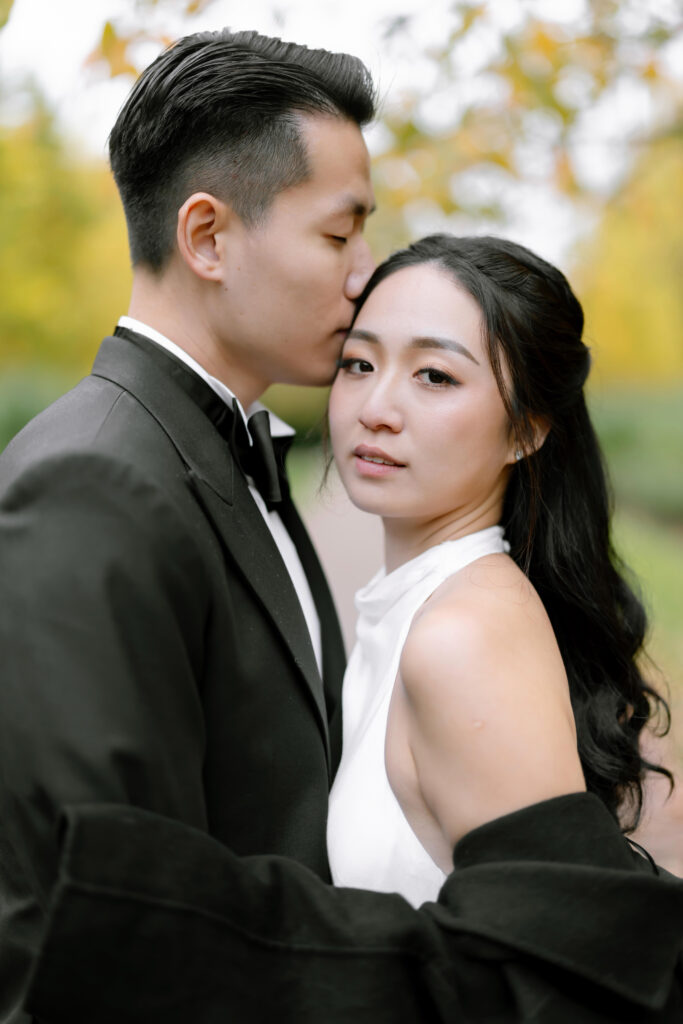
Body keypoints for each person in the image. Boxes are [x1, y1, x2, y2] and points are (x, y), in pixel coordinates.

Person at [23, 240, 683, 1022]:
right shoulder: (408, 607)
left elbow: (564, 978)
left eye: (434, 375)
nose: (376, 407)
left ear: (525, 431)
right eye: (359, 364)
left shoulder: (465, 634)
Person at [0, 27, 377, 1022]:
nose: (363, 277)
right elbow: (98, 913)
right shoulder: (94, 477)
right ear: (207, 236)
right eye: (339, 236)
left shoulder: (221, 446)